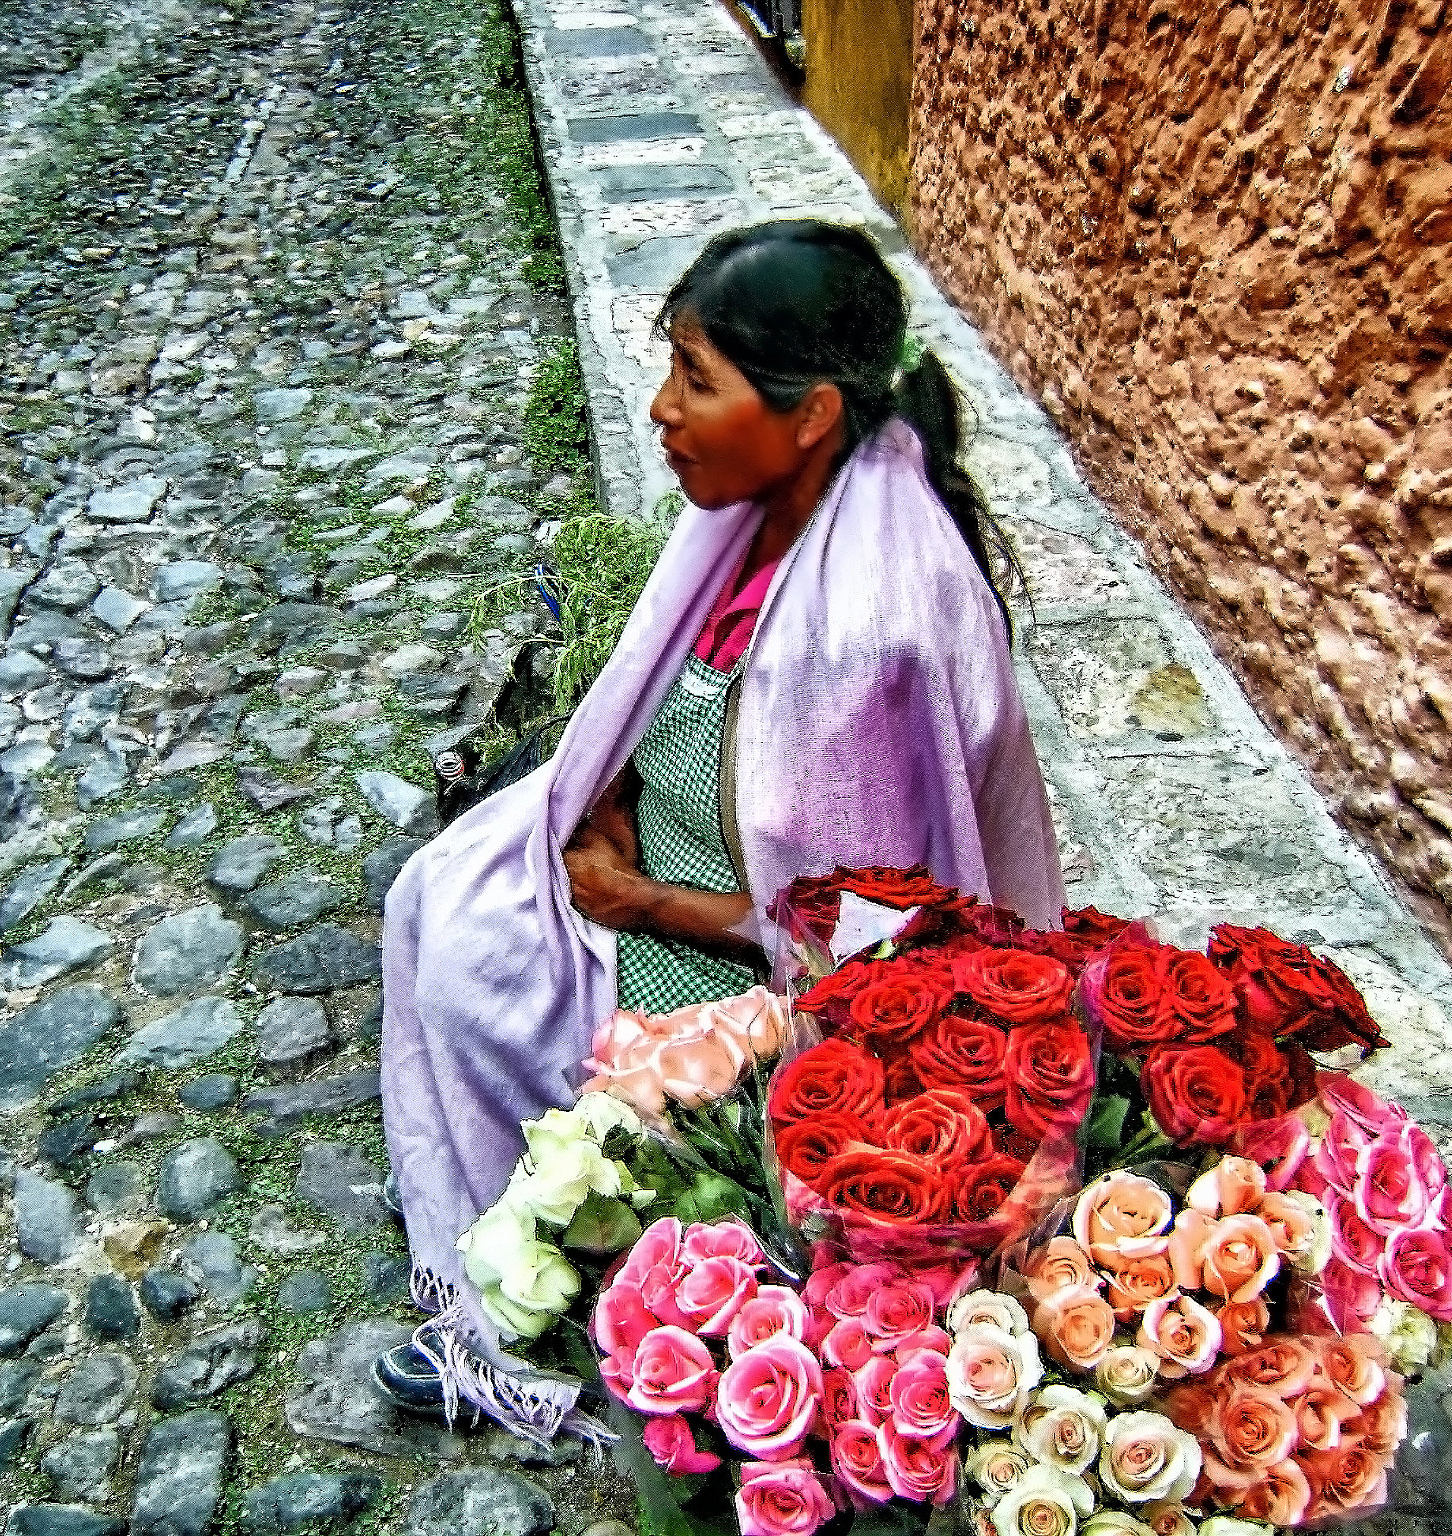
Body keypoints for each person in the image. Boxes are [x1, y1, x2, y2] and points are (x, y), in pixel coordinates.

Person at [374, 219, 1064, 1437]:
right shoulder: (753, 515)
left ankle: (520, 1308)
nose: (660, 410)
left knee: (477, 989)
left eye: (697, 380)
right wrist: (613, 796)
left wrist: (638, 905)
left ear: (810, 414)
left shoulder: (869, 632)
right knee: (436, 890)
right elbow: (656, 689)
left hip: (749, 968)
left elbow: (872, 951)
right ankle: (479, 1196)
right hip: (670, 860)